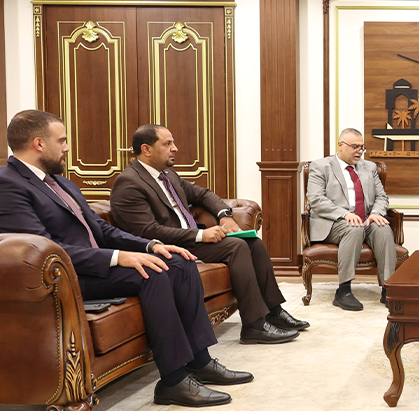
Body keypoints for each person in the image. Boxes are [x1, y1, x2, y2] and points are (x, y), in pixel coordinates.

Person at [0, 110, 251, 407]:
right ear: (39, 143)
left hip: (94, 266)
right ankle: (173, 381)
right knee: (152, 273)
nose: (66, 148)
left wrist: (152, 245)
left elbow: (102, 230)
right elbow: (42, 250)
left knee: (178, 262)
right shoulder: (9, 184)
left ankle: (200, 361)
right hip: (65, 277)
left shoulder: (61, 182)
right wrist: (119, 258)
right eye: (62, 141)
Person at [109, 124, 306, 345]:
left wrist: (225, 216)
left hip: (191, 240)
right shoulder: (129, 182)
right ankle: (254, 326)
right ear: (146, 149)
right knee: (237, 247)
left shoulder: (167, 175)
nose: (175, 148)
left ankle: (274, 311)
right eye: (167, 144)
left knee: (253, 243)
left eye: (173, 142)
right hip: (168, 246)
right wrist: (200, 235)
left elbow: (203, 194)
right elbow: (147, 231)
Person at [306, 128, 396, 311]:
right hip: (334, 221)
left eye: (362, 147)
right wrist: (344, 214)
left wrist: (376, 213)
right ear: (340, 145)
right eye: (355, 147)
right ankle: (344, 291)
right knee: (353, 228)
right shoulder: (320, 166)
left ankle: (389, 289)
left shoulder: (369, 167)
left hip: (365, 219)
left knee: (383, 227)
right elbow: (316, 199)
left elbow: (381, 196)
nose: (359, 151)